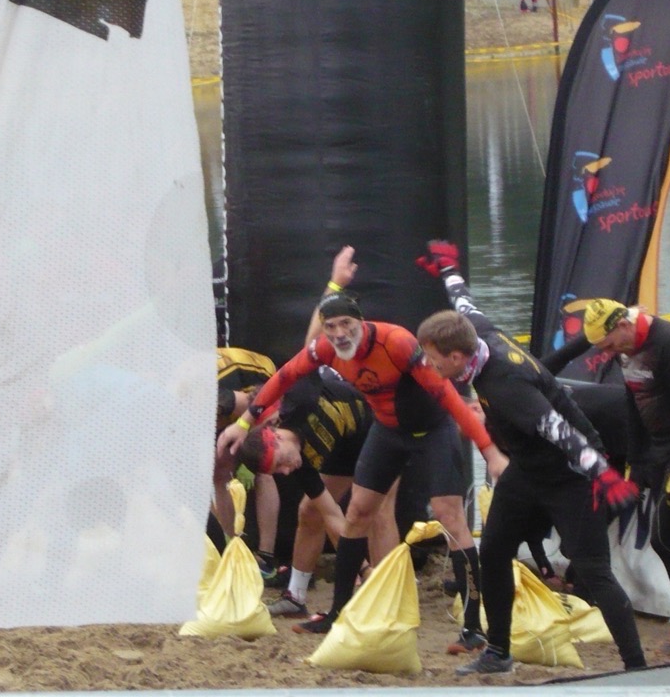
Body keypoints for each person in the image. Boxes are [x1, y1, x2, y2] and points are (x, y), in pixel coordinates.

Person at [218, 247, 508, 651]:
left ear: (361, 322)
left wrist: (489, 451)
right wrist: (244, 423)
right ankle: (339, 612)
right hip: (385, 431)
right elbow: (284, 376)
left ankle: (473, 626)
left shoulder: (397, 343)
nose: (339, 334)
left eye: (345, 325)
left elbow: (447, 396)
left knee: (449, 517)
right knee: (356, 514)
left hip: (430, 430)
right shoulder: (325, 350)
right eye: (331, 326)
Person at [414, 240, 646, 674]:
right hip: (529, 469)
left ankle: (637, 668)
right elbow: (464, 302)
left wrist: (602, 471)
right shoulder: (476, 332)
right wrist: (448, 270)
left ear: (457, 357)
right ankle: (499, 652)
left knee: (594, 571)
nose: (429, 367)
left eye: (432, 360)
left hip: (572, 473)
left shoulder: (506, 384)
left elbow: (558, 429)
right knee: (494, 551)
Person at [582, 297, 670, 656]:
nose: (608, 353)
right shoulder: (626, 349)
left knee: (666, 538)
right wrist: (636, 463)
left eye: (609, 344)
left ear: (623, 324)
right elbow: (632, 407)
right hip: (658, 450)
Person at [236, 366, 399, 617]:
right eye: (279, 471)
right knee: (311, 511)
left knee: (378, 510)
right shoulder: (300, 464)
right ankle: (296, 597)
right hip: (345, 445)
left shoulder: (299, 401)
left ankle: (389, 600)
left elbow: (304, 362)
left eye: (281, 463)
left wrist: (244, 420)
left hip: (380, 426)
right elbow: (332, 514)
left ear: (276, 436)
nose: (286, 471)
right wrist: (363, 569)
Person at [213, 346, 284, 583]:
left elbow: (253, 409)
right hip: (218, 389)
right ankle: (233, 551)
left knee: (263, 463)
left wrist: (246, 457)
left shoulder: (217, 397)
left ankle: (265, 557)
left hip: (257, 381)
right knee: (218, 472)